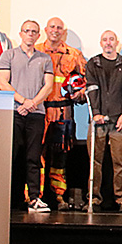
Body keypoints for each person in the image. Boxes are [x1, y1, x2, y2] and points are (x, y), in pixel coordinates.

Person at [0, 20, 54, 212]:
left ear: (39, 36)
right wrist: (23, 101)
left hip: (36, 114)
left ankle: (34, 197)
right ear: (21, 34)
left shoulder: (45, 58)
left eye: (34, 32)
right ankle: (9, 199)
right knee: (11, 155)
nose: (30, 34)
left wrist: (32, 103)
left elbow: (48, 86)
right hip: (14, 112)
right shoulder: (8, 55)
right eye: (27, 31)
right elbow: (2, 82)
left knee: (33, 157)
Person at [36, 17, 87, 211]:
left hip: (63, 111)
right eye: (52, 27)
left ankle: (59, 196)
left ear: (63, 32)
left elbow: (85, 80)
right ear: (46, 30)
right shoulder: (36, 51)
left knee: (60, 157)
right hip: (39, 110)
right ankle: (34, 196)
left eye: (59, 28)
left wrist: (81, 92)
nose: (55, 31)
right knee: (36, 155)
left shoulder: (74, 55)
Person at [85, 30, 122, 212]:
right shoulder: (93, 63)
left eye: (111, 39)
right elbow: (91, 88)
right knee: (95, 162)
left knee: (120, 163)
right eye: (104, 40)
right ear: (101, 43)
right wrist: (96, 113)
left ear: (117, 42)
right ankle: (93, 199)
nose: (108, 43)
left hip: (120, 122)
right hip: (98, 121)